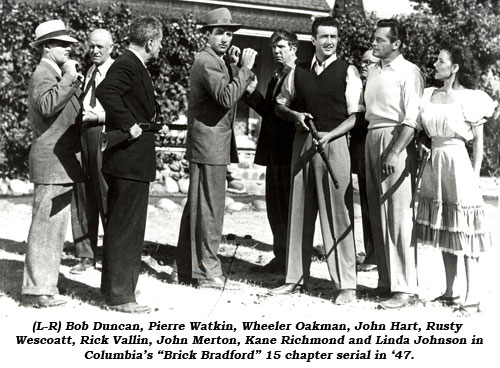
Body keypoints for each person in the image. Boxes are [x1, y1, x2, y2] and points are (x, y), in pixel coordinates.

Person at [271, 16, 364, 305]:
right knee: (298, 212)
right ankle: (294, 278)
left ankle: (346, 284)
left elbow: (355, 116)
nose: (329, 41)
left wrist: (331, 135)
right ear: (313, 40)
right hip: (304, 143)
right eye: (323, 36)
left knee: (338, 214)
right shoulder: (297, 72)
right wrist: (295, 116)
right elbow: (279, 106)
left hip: (334, 145)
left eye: (334, 37)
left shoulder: (347, 71)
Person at [175, 8, 257, 288]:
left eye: (229, 32)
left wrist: (234, 68)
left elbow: (226, 88)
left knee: (198, 207)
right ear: (207, 34)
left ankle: (186, 269)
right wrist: (244, 69)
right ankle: (208, 272)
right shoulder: (207, 61)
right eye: (219, 32)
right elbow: (226, 96)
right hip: (209, 143)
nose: (225, 37)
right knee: (211, 209)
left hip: (210, 142)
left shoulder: (215, 60)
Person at [415, 46, 496, 315]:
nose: (435, 64)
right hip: (434, 161)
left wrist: (474, 176)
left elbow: (479, 143)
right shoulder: (427, 95)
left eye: (440, 60)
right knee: (444, 226)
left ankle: (473, 297)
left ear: (455, 67)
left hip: (458, 162)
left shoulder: (472, 98)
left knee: (465, 227)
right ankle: (451, 292)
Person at [96, 16, 164, 313]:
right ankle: (121, 297)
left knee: (121, 225)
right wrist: (129, 124)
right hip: (129, 158)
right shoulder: (127, 64)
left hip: (131, 158)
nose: (160, 48)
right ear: (150, 42)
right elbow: (105, 92)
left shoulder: (134, 65)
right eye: (159, 43)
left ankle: (113, 291)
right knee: (127, 227)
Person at [22, 20, 84, 308]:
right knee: (45, 228)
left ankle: (45, 286)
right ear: (47, 46)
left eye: (69, 43)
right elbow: (47, 107)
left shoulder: (54, 73)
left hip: (59, 164)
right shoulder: (43, 74)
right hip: (51, 162)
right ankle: (37, 290)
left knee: (53, 228)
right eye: (62, 43)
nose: (69, 48)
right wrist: (69, 79)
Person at [364, 19, 424, 308]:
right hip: (372, 135)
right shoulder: (374, 70)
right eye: (375, 39)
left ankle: (405, 289)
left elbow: (412, 116)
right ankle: (386, 282)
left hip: (395, 137)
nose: (374, 44)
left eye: (380, 40)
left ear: (396, 44)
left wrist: (394, 151)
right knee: (377, 212)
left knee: (398, 215)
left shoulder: (409, 71)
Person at [244, 29, 298, 274]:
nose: (277, 52)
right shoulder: (277, 75)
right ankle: (280, 256)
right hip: (274, 151)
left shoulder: (299, 74)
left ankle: (290, 260)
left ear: (294, 49)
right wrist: (251, 92)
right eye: (274, 48)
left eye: (282, 47)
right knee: (274, 207)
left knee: (287, 207)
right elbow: (269, 110)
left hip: (290, 151)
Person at [70, 29, 114, 274]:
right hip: (84, 135)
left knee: (104, 193)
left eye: (100, 47)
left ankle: (112, 254)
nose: (95, 51)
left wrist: (99, 116)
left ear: (111, 47)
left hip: (104, 134)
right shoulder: (89, 72)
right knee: (83, 195)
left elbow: (127, 112)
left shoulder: (118, 72)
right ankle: (85, 255)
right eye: (92, 46)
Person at [352, 49, 379, 272]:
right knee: (366, 202)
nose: (363, 65)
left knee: (375, 203)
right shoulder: (359, 86)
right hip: (360, 150)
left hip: (376, 148)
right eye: (362, 61)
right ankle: (371, 251)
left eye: (368, 62)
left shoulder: (377, 89)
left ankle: (376, 254)